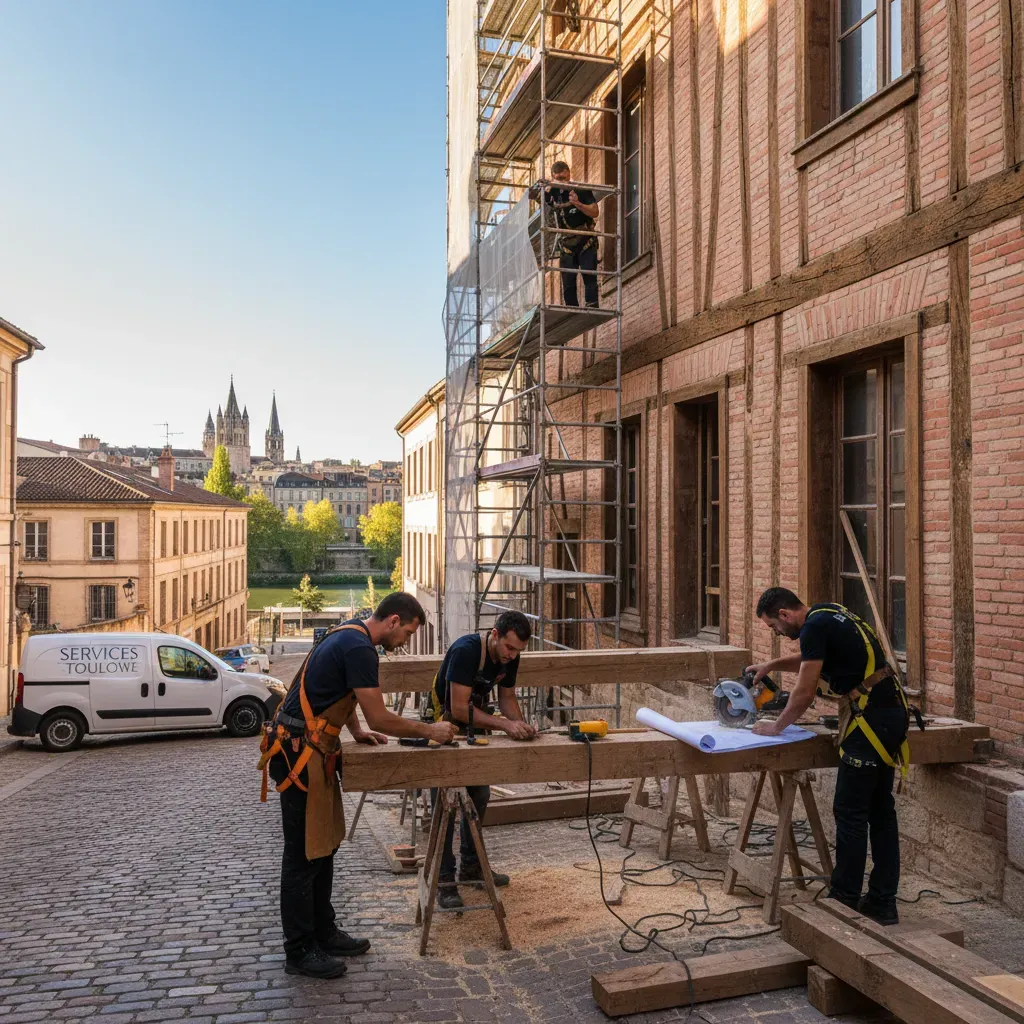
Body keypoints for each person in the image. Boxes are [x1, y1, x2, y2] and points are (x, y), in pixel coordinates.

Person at [259, 592, 457, 979]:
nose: (406, 642)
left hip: (312, 749)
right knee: (302, 855)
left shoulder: (349, 634)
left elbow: (335, 694)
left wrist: (355, 731)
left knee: (324, 845)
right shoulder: (360, 648)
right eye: (409, 633)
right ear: (394, 621)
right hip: (298, 753)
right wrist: (429, 729)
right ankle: (299, 950)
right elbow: (382, 716)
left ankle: (323, 931)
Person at [746, 587, 913, 925]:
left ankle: (844, 900)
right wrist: (772, 664)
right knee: (880, 812)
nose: (777, 634)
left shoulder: (813, 627)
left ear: (784, 615)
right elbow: (812, 659)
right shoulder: (828, 612)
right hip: (889, 713)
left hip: (870, 721)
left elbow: (805, 692)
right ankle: (882, 902)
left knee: (851, 812)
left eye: (773, 628)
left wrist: (776, 727)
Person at [429, 610, 537, 909]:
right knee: (446, 805)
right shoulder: (466, 651)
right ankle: (445, 881)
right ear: (495, 634)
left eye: (518, 651)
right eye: (509, 647)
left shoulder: (510, 658)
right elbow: (459, 709)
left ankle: (472, 867)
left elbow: (507, 699)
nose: (512, 655)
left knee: (479, 793)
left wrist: (522, 725)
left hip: (473, 728)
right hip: (443, 725)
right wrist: (505, 724)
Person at [538, 160, 601, 308]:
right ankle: (572, 309)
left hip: (585, 238)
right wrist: (543, 192)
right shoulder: (551, 193)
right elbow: (541, 206)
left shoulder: (580, 190)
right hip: (566, 242)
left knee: (589, 275)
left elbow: (594, 211)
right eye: (558, 179)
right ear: (553, 177)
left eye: (564, 178)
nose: (562, 182)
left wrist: (578, 203)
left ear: (569, 174)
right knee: (568, 283)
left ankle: (591, 305)